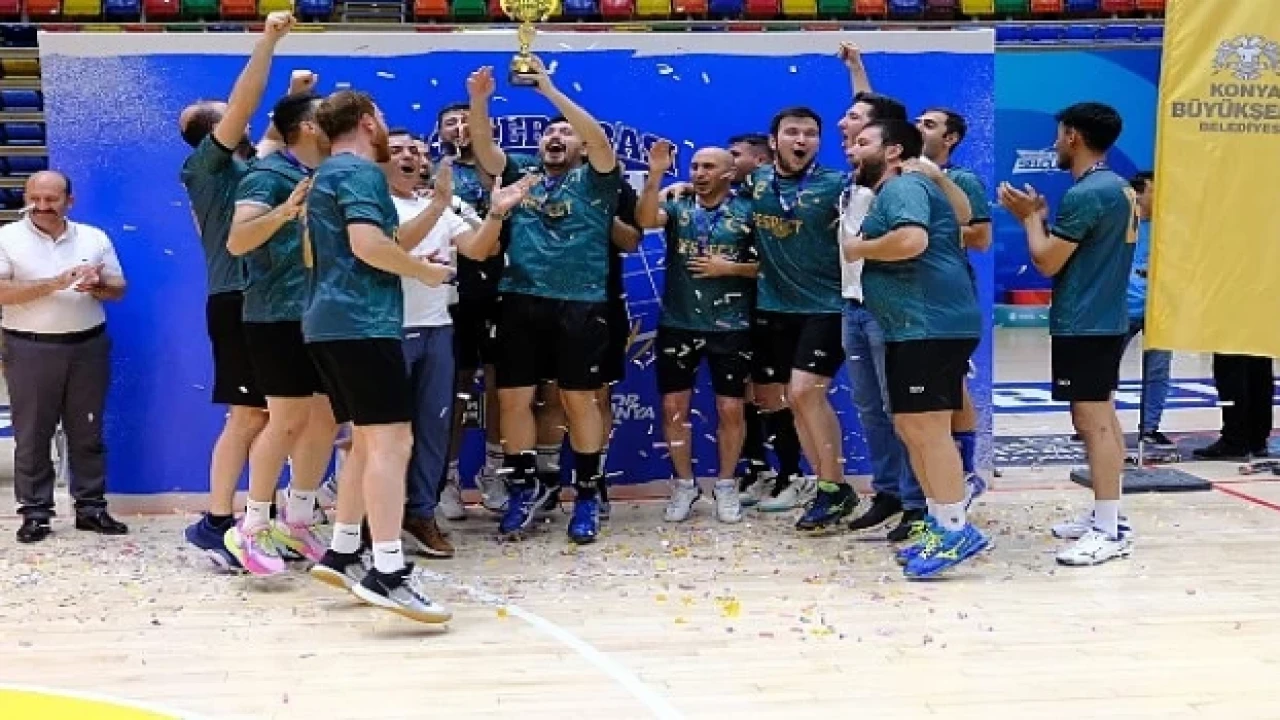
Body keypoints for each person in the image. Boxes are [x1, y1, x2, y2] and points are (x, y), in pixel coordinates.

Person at [301, 89, 456, 621]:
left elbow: (375, 243)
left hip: (329, 322)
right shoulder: (362, 172)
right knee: (394, 442)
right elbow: (368, 246)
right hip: (361, 323)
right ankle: (388, 571)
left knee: (367, 443)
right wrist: (425, 272)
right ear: (368, 123)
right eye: (384, 118)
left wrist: (428, 219)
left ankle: (344, 550)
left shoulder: (328, 174)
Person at [465, 59, 622, 544]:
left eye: (565, 133)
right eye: (549, 132)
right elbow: (485, 150)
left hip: (581, 302)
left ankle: (588, 492)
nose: (556, 136)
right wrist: (478, 101)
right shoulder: (522, 175)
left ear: (579, 146)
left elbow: (599, 141)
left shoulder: (597, 179)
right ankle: (523, 487)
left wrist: (549, 91)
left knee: (578, 399)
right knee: (512, 398)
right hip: (519, 299)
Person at [178, 12, 303, 569]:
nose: (243, 117)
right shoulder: (207, 168)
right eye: (231, 114)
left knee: (280, 416)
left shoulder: (253, 164)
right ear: (218, 130)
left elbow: (274, 132)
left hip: (273, 303)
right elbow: (250, 106)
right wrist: (268, 41)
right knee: (249, 416)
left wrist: (295, 95)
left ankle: (260, 519)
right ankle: (215, 522)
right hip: (237, 301)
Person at [845, 119, 986, 579]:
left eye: (861, 142)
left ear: (893, 151)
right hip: (914, 327)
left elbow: (912, 241)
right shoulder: (904, 187)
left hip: (929, 324)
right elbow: (958, 215)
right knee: (911, 426)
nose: (851, 150)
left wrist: (859, 248)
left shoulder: (902, 187)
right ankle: (939, 523)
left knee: (928, 429)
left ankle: (955, 529)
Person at [999, 101, 1136, 566]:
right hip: (1102, 317)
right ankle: (1108, 515)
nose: (1055, 143)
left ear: (1073, 136)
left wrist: (1028, 218)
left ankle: (1108, 530)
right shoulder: (1117, 186)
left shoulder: (1087, 194)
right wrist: (1041, 217)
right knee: (1101, 419)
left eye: (1059, 134)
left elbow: (1046, 261)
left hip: (1085, 321)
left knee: (1093, 422)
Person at [223, 92, 336, 575]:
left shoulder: (331, 175)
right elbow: (238, 241)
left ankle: (299, 519)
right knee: (286, 420)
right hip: (277, 315)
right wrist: (285, 212)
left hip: (324, 315)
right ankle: (251, 525)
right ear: (308, 125)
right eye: (327, 116)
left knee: (325, 419)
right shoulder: (266, 176)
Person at [742, 106, 858, 531]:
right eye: (792, 132)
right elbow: (720, 190)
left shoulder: (838, 185)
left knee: (806, 391)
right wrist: (679, 188)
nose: (802, 140)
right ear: (773, 141)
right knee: (793, 400)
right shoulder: (755, 181)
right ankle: (827, 486)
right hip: (773, 308)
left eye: (810, 133)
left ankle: (834, 484)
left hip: (825, 306)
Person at [0, 171, 129, 543]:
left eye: (51, 199)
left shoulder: (94, 237)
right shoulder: (7, 238)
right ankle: (35, 514)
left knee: (87, 431)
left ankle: (91, 508)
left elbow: (119, 288)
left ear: (69, 201)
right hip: (29, 347)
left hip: (88, 345)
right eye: (35, 199)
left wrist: (97, 286)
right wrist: (56, 282)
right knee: (32, 434)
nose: (42, 206)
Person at [637, 142, 756, 524]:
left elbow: (772, 266)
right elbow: (645, 220)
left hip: (732, 325)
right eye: (695, 166)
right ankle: (685, 484)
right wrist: (656, 175)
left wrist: (731, 269)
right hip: (678, 322)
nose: (699, 173)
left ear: (728, 174)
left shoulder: (748, 210)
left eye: (708, 167)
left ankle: (726, 484)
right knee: (674, 408)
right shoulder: (678, 205)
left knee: (730, 408)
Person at [381, 128, 474, 557]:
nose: (409, 156)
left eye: (416, 151)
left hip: (437, 327)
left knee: (434, 429)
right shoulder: (370, 204)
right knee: (381, 432)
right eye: (397, 150)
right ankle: (369, 522)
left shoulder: (440, 207)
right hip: (387, 328)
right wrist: (437, 206)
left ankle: (421, 513)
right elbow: (391, 246)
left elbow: (479, 249)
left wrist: (497, 213)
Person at [437, 102, 509, 515]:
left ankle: (495, 471)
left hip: (503, 288)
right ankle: (447, 477)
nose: (460, 127)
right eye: (451, 123)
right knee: (458, 385)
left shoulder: (505, 170)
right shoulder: (432, 173)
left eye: (468, 121)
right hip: (451, 291)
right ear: (440, 133)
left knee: (502, 385)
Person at [916, 107, 992, 499]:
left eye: (929, 124)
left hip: (947, 300)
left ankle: (966, 471)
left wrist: (922, 235)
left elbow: (981, 237)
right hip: (907, 299)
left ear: (951, 139)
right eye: (917, 121)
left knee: (952, 383)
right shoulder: (902, 177)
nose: (918, 127)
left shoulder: (962, 180)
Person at [1120, 171, 1173, 449]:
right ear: (1138, 194)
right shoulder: (1120, 224)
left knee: (1158, 372)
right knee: (1105, 368)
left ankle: (1150, 428)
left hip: (1160, 310)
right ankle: (1096, 423)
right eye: (1154, 190)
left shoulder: (1170, 226)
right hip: (1123, 307)